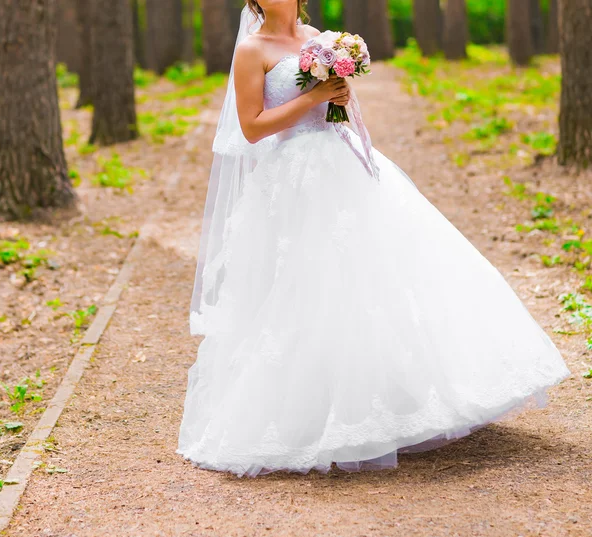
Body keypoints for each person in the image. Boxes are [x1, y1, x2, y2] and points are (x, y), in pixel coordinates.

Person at [177, 0, 569, 477]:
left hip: (343, 164)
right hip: (293, 178)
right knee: (305, 288)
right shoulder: (251, 49)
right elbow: (253, 128)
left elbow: (338, 104)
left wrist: (339, 100)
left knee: (378, 277)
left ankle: (400, 399)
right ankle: (310, 413)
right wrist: (312, 96)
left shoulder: (318, 37)